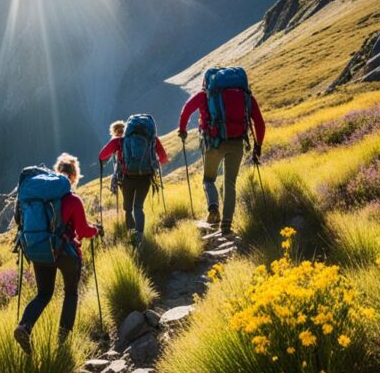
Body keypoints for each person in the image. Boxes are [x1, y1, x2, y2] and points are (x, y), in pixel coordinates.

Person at [14, 153, 101, 354]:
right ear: (73, 176)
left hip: (40, 250)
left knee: (43, 294)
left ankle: (24, 326)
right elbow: (83, 231)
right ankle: (62, 345)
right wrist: (96, 229)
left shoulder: (36, 198)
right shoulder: (72, 200)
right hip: (65, 254)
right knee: (71, 294)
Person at [178, 70, 265, 235]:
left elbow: (186, 110)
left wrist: (183, 131)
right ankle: (226, 225)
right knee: (230, 183)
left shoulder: (205, 95)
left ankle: (213, 209)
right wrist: (258, 146)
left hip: (213, 143)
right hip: (237, 143)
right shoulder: (246, 97)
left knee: (208, 179)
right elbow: (259, 123)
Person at [98, 116, 169, 244]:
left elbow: (102, 155)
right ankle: (140, 237)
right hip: (146, 177)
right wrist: (152, 162)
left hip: (127, 179)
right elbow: (164, 158)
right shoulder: (151, 139)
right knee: (138, 207)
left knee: (128, 208)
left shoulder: (119, 141)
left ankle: (132, 236)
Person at [107, 120, 126, 197]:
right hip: (135, 166)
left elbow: (104, 155)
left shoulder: (116, 140)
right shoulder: (130, 138)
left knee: (115, 179)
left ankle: (114, 190)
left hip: (122, 170)